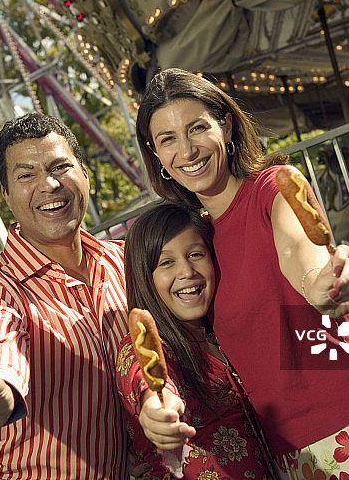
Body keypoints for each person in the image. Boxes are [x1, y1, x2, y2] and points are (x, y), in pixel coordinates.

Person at [133, 68, 349, 479]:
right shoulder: (199, 240)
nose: (187, 150)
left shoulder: (274, 191)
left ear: (227, 125)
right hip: (285, 455)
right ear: (156, 155)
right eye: (167, 139)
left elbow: (299, 252)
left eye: (197, 128)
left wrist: (323, 286)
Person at [0, 112, 162, 479]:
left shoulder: (124, 260)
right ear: (7, 197)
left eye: (60, 166)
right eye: (26, 175)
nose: (49, 184)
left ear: (84, 174)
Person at [117, 202, 277, 479]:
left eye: (195, 254)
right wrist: (158, 410)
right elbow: (147, 379)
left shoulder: (224, 331)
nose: (187, 272)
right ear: (144, 277)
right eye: (166, 262)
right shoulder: (143, 344)